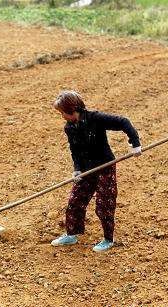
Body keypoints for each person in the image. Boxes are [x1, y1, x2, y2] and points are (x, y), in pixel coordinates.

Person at [51, 90, 142, 252]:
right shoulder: (69, 127)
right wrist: (77, 170)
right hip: (87, 170)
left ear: (73, 110)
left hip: (105, 167)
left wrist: (135, 144)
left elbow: (123, 122)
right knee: (75, 201)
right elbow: (75, 150)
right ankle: (71, 234)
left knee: (104, 204)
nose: (62, 116)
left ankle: (108, 239)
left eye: (63, 113)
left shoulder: (95, 119)